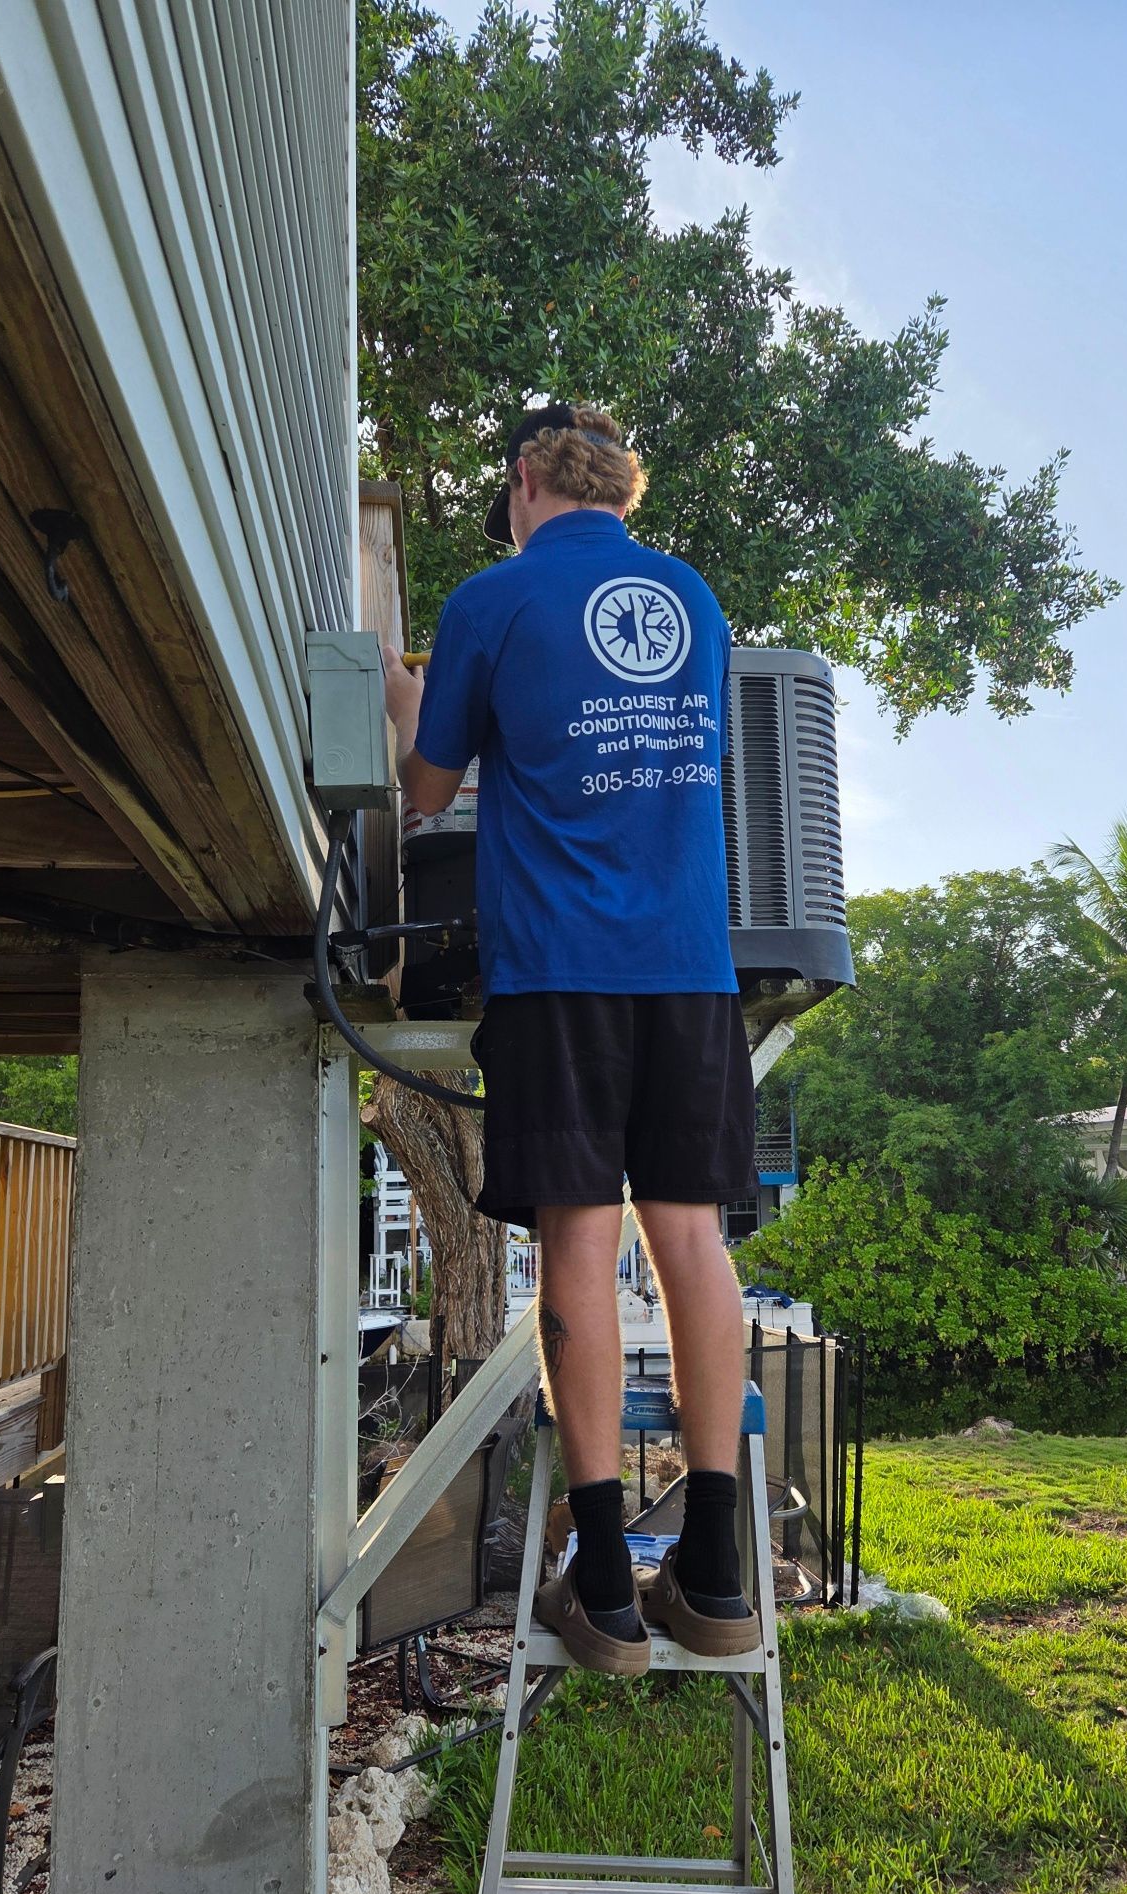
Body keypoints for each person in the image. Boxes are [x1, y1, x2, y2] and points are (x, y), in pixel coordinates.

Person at [381, 402, 757, 1676]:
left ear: (527, 477)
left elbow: (427, 791)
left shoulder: (493, 601)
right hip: (694, 974)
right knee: (694, 1241)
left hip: (557, 978)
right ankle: (715, 1572)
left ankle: (600, 1586)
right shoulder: (690, 599)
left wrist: (405, 698)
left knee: (581, 1252)